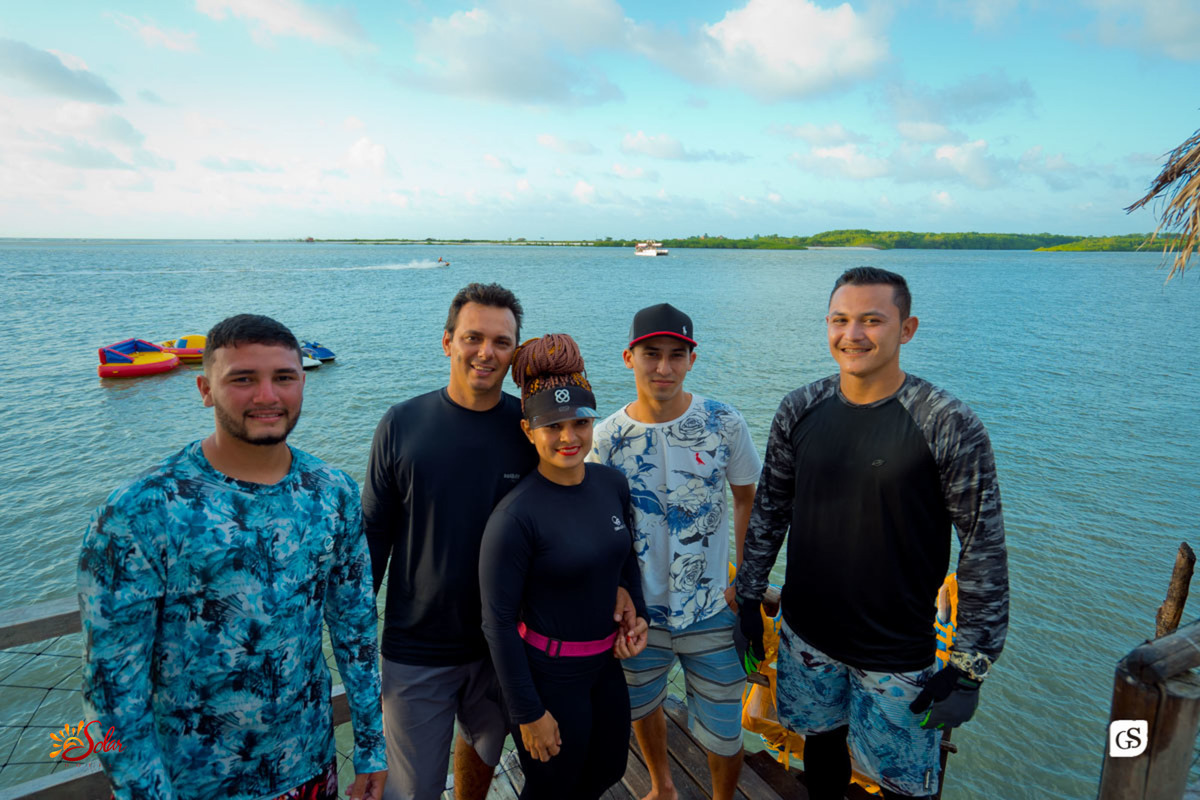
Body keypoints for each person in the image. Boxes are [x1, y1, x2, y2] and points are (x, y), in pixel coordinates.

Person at [79, 314, 387, 800]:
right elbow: (112, 690)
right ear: (205, 389)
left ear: (302, 382)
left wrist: (370, 745)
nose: (267, 396)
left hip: (312, 765)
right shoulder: (140, 511)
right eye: (242, 379)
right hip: (192, 786)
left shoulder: (333, 492)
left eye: (283, 377)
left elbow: (355, 630)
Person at [735, 267, 1009, 800]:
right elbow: (770, 509)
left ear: (906, 329)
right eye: (840, 319)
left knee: (905, 785)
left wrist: (971, 665)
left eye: (872, 320)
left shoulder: (946, 421)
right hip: (807, 634)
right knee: (820, 750)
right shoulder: (800, 408)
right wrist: (749, 595)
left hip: (898, 650)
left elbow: (982, 546)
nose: (853, 334)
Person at [362, 283, 538, 800]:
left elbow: (563, 515)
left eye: (501, 342)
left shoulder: (529, 429)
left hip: (504, 644)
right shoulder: (401, 424)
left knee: (485, 754)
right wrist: (351, 638)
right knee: (410, 791)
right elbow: (373, 540)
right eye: (472, 337)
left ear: (515, 353)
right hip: (417, 645)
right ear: (447, 342)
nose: (486, 352)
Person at [588, 303, 761, 800]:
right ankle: (662, 786)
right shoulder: (607, 439)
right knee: (643, 706)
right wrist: (617, 594)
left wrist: (742, 583)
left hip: (711, 608)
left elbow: (748, 495)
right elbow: (599, 521)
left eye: (675, 355)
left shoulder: (724, 422)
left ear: (691, 360)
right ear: (629, 357)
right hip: (640, 613)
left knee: (726, 727)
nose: (663, 367)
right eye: (651, 354)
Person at [480, 334, 650, 800]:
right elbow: (495, 622)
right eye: (552, 426)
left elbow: (625, 557)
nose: (568, 437)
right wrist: (527, 712)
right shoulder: (515, 517)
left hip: (605, 667)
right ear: (528, 430)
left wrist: (637, 608)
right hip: (549, 677)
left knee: (609, 769)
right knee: (554, 787)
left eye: (579, 422)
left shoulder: (611, 483)